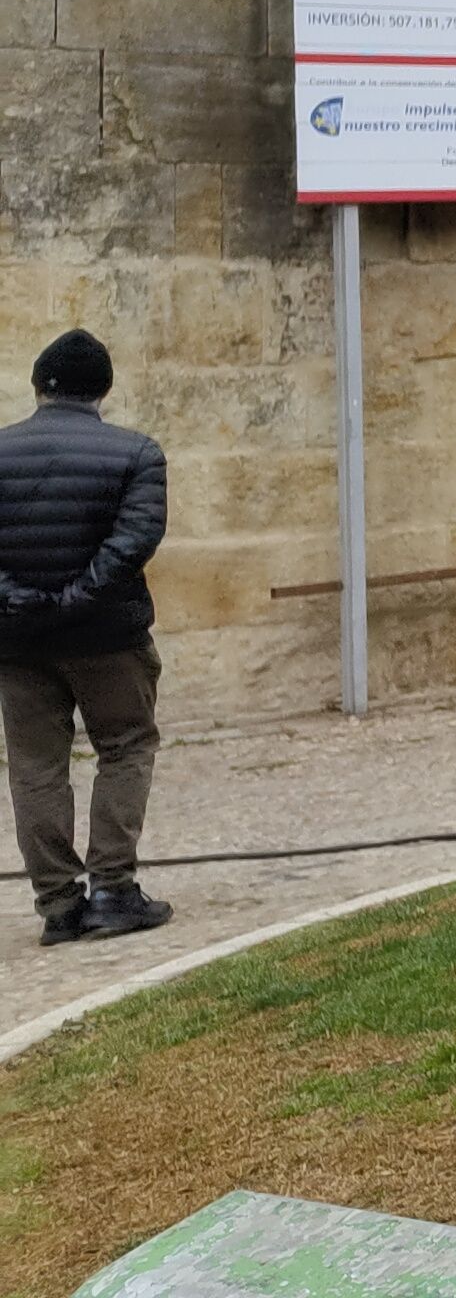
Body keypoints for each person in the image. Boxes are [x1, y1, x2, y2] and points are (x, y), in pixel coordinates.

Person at [0, 330, 171, 950]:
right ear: (103, 388)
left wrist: (17, 597)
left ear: (37, 386)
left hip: (17, 642)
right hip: (108, 637)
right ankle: (114, 891)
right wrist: (79, 597)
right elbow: (134, 541)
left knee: (35, 767)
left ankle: (58, 905)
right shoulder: (137, 453)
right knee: (125, 746)